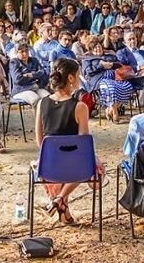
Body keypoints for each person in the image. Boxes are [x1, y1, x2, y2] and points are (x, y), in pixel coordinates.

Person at [34, 57, 97, 224]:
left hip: (48, 164)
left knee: (74, 162)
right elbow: (83, 145)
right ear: (70, 78)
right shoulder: (80, 107)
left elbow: (40, 140)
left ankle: (62, 208)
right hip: (75, 167)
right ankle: (60, 199)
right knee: (91, 165)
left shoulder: (42, 103)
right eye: (78, 74)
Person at [82, 38, 132, 123]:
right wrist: (102, 66)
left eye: (99, 47)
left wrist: (112, 64)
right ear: (91, 50)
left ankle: (110, 109)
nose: (98, 49)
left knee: (127, 85)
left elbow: (119, 64)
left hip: (115, 78)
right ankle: (115, 113)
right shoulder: (88, 59)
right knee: (111, 87)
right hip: (100, 80)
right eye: (95, 48)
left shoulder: (109, 56)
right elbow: (88, 71)